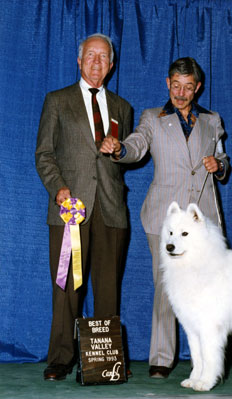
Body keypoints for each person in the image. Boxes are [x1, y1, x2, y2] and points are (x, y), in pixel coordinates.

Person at [100, 57, 229, 378]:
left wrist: (220, 165)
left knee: (212, 287)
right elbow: (136, 145)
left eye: (188, 87)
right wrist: (119, 150)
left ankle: (211, 359)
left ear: (197, 88)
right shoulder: (152, 118)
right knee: (165, 286)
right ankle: (161, 357)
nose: (181, 93)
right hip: (164, 219)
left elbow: (223, 159)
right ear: (167, 83)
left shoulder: (212, 120)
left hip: (203, 220)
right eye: (176, 86)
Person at [35, 33, 132, 381]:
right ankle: (60, 358)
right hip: (70, 210)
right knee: (66, 288)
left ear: (111, 65)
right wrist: (59, 189)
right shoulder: (57, 100)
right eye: (90, 56)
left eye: (103, 57)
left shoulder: (123, 108)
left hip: (111, 211)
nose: (96, 62)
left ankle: (106, 363)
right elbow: (44, 154)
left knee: (108, 289)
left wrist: (119, 150)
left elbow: (123, 158)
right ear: (79, 61)